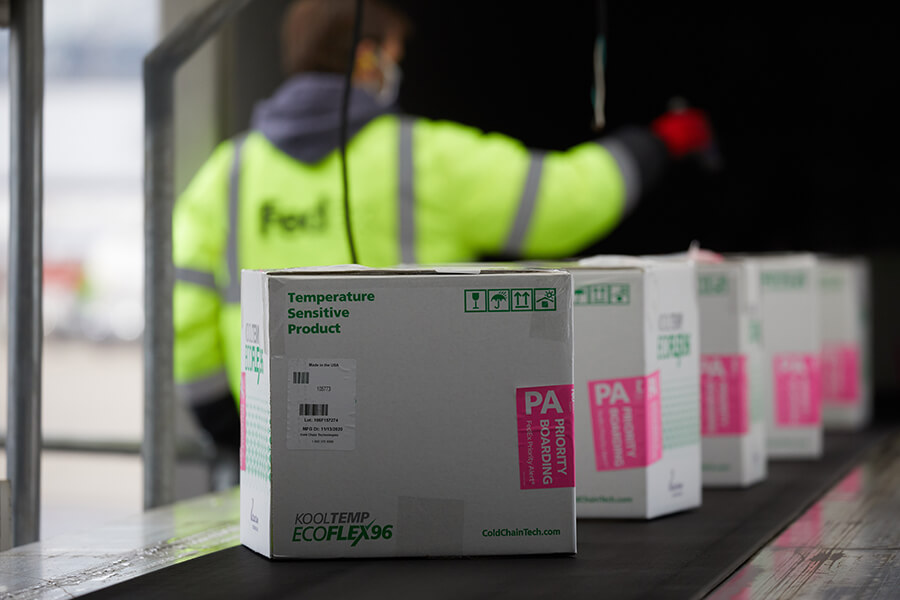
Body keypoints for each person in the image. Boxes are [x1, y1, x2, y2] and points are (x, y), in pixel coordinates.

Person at [172, 0, 714, 487]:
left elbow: (186, 308)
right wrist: (657, 143)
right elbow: (563, 202)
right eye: (394, 54)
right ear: (368, 60)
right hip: (413, 451)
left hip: (271, 453)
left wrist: (227, 424)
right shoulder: (426, 158)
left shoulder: (228, 172)